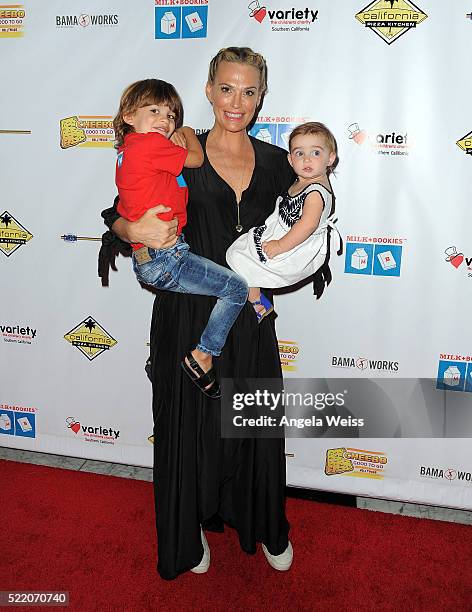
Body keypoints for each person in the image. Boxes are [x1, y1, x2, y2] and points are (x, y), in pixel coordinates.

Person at [100, 47, 294, 580]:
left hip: (249, 322)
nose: (237, 101)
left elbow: (305, 227)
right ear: (208, 91)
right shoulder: (172, 147)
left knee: (251, 427)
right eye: (226, 88)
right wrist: (130, 231)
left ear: (260, 98)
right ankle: (187, 536)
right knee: (186, 433)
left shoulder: (278, 163)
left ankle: (263, 522)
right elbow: (117, 211)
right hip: (187, 317)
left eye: (249, 91)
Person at [113, 79, 249, 398]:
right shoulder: (149, 145)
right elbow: (195, 159)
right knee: (236, 289)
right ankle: (203, 356)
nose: (166, 120)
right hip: (165, 256)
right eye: (155, 111)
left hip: (155, 257)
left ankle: (159, 361)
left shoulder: (129, 151)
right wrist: (186, 133)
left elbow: (127, 202)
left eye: (172, 115)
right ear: (129, 116)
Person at [227, 121, 341, 309]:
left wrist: (280, 245)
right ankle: (257, 301)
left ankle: (257, 304)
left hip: (294, 243)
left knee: (242, 258)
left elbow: (308, 225)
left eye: (316, 153)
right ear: (290, 160)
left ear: (330, 158)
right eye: (299, 153)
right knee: (240, 254)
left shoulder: (315, 192)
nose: (306, 159)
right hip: (281, 232)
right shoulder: (302, 182)